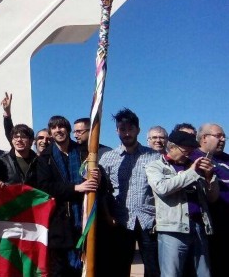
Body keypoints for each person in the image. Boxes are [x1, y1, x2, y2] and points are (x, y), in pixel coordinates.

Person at [145, 130, 217, 277]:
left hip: (199, 226)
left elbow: (212, 197)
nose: (188, 154)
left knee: (204, 273)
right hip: (173, 229)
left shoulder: (194, 166)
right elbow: (162, 188)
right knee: (172, 273)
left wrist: (209, 177)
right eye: (185, 150)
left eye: (191, 151)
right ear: (171, 147)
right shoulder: (155, 166)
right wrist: (192, 172)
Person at [99, 108, 160, 277]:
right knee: (119, 267)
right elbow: (102, 191)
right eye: (122, 129)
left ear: (138, 130)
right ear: (117, 131)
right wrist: (106, 215)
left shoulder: (153, 156)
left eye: (130, 129)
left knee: (153, 268)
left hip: (149, 220)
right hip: (120, 220)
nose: (126, 133)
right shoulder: (108, 157)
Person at [36, 116, 98, 277]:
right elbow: (44, 187)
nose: (58, 130)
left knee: (84, 269)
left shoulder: (83, 152)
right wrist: (75, 188)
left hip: (83, 221)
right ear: (50, 133)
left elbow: (99, 185)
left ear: (68, 130)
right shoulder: (45, 158)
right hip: (58, 223)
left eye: (62, 127)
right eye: (54, 128)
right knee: (60, 270)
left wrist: (99, 176)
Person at [189, 123, 227, 277]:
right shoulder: (193, 159)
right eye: (219, 136)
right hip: (209, 226)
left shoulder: (226, 159)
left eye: (224, 136)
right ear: (204, 138)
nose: (223, 139)